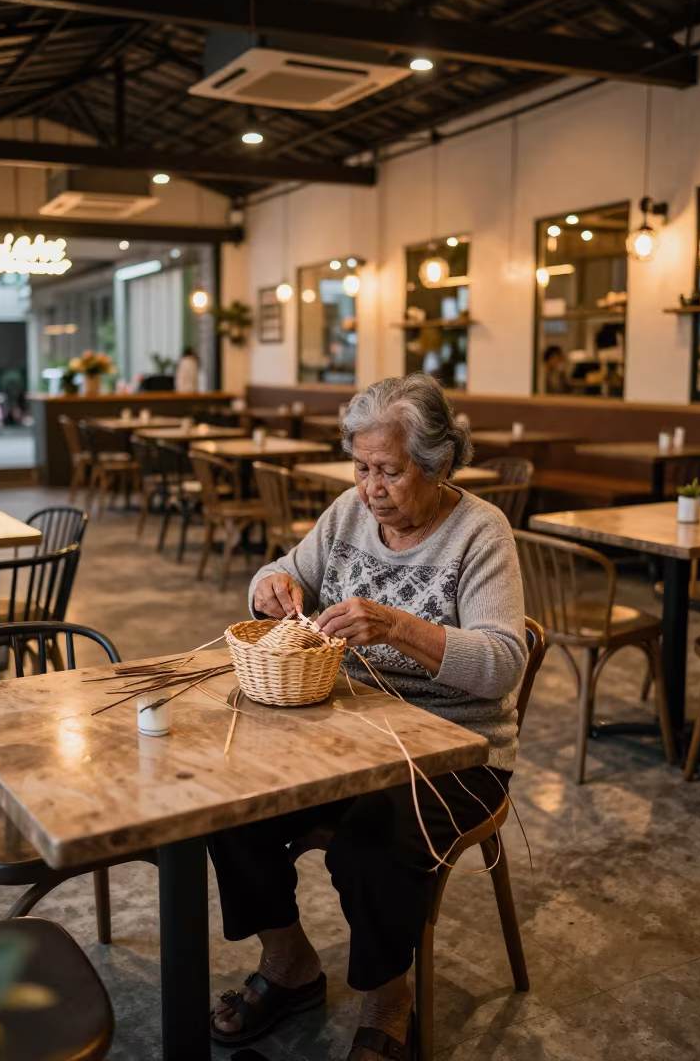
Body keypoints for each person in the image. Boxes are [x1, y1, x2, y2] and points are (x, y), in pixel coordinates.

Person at [209, 373, 527, 1061]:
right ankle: (289, 964)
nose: (370, 488)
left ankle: (389, 999)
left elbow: (504, 663)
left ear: (438, 464)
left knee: (370, 845)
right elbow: (280, 569)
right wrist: (270, 585)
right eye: (361, 468)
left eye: (390, 470)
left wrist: (397, 626)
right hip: (349, 731)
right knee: (228, 804)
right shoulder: (348, 515)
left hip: (456, 750)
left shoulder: (481, 532)